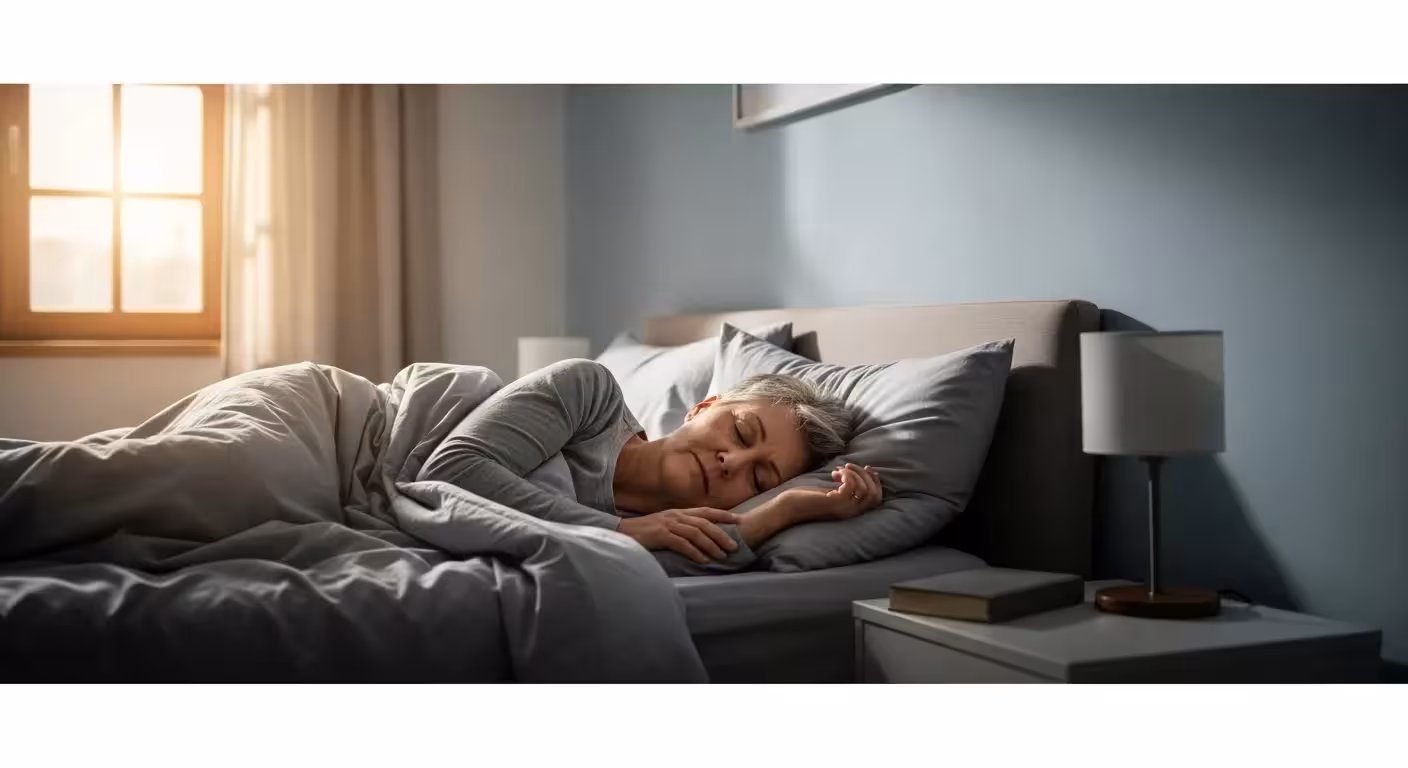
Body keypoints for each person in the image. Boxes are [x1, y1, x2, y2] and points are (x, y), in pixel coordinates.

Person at [418, 358, 883, 568]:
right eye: (741, 431)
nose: (732, 461)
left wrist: (790, 508)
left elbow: (717, 554)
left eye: (759, 478)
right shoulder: (589, 393)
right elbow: (450, 470)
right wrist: (621, 532)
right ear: (704, 406)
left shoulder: (667, 529)